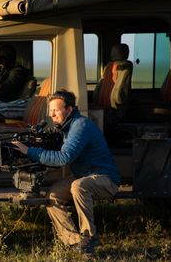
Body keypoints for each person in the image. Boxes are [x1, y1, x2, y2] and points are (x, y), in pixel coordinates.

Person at [12, 89, 120, 254]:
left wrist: (29, 151)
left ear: (69, 109)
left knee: (78, 186)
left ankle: (88, 238)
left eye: (56, 110)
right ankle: (74, 242)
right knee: (53, 195)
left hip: (105, 178)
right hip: (83, 175)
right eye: (50, 111)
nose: (52, 115)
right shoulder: (65, 127)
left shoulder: (80, 126)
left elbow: (64, 158)